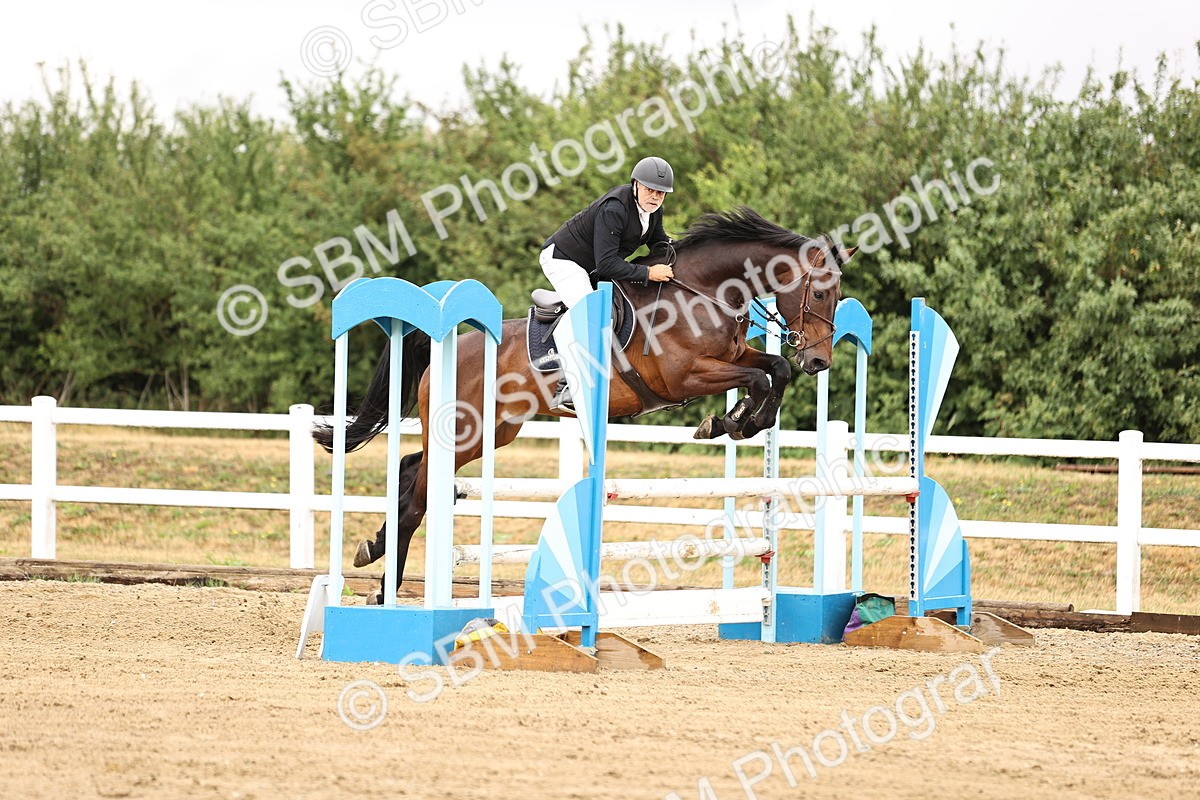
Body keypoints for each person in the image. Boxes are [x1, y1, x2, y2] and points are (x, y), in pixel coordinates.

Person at [540, 156, 677, 410]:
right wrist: (648, 273)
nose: (655, 197)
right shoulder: (615, 209)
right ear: (635, 185)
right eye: (650, 190)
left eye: (661, 193)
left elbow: (660, 244)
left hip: (592, 264)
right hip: (564, 259)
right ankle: (566, 387)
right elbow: (606, 265)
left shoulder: (652, 211)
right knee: (591, 313)